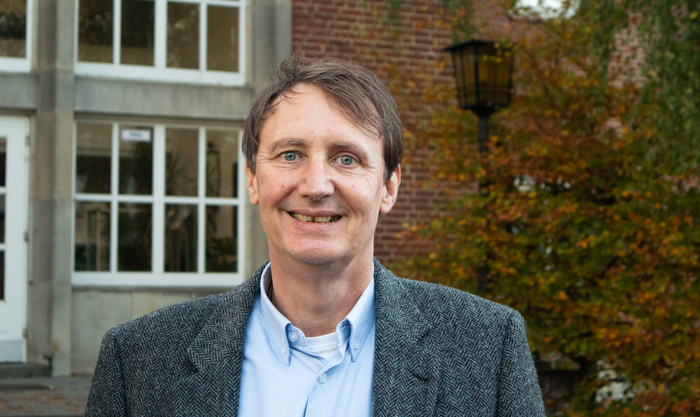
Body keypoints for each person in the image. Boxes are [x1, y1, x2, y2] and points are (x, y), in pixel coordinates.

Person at [85, 56, 545, 417]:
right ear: (252, 179)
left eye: (347, 158)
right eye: (290, 154)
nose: (316, 185)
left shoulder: (488, 349)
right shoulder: (138, 360)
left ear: (388, 187)